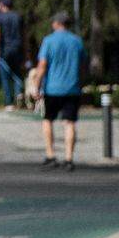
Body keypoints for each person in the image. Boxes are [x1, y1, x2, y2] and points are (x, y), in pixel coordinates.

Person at [33, 11, 86, 170]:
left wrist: (37, 87)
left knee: (48, 120)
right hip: (72, 88)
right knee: (69, 122)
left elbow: (42, 66)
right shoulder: (77, 41)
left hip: (53, 88)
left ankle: (51, 155)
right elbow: (83, 65)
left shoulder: (49, 41)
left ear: (56, 23)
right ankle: (69, 158)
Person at [0, 0, 26, 110]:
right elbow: (24, 34)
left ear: (2, 5)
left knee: (5, 76)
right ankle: (19, 93)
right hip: (18, 48)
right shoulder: (18, 16)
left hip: (5, 49)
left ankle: (9, 102)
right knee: (17, 72)